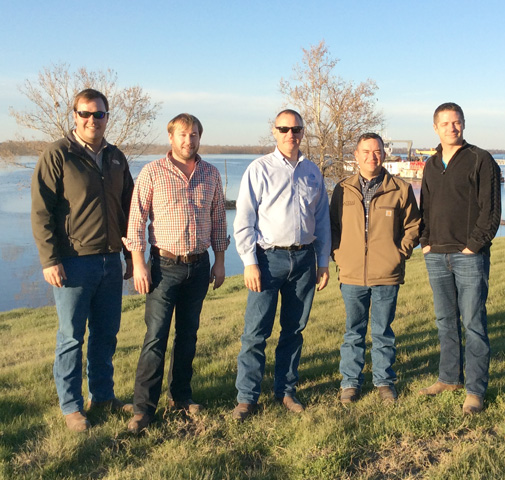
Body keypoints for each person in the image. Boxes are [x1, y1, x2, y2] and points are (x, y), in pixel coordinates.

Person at [31, 88, 134, 432]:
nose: (93, 120)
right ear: (74, 116)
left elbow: (129, 212)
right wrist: (50, 260)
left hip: (111, 261)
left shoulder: (117, 158)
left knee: (106, 334)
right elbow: (41, 211)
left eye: (99, 114)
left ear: (107, 117)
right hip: (73, 263)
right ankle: (72, 406)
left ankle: (103, 396)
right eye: (86, 114)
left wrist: (133, 257)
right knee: (72, 337)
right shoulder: (58, 155)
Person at [123, 113, 228, 433]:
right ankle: (143, 408)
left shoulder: (210, 174)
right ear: (171, 137)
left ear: (200, 137)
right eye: (183, 134)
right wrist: (138, 263)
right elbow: (136, 221)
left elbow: (219, 219)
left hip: (197, 267)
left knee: (187, 336)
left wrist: (220, 260)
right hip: (163, 267)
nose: (189, 140)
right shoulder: (152, 172)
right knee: (155, 337)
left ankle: (181, 396)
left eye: (194, 134)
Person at [232, 109, 330, 421]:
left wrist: (323, 262)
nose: (291, 134)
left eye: (296, 129)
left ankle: (286, 390)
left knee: (294, 330)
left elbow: (323, 222)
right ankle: (247, 398)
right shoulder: (258, 169)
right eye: (284, 129)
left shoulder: (313, 172)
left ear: (303, 132)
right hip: (267, 260)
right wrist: (249, 262)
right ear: (274, 132)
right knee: (255, 332)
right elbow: (244, 220)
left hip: (303, 260)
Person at [418, 103, 501, 415]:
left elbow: (491, 211)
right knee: (445, 321)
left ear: (464, 124)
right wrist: (425, 243)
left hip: (469, 256)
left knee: (474, 323)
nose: (452, 128)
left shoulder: (480, 159)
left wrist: (473, 246)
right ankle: (449, 377)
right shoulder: (430, 164)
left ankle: (475, 390)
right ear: (436, 128)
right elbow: (424, 207)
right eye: (445, 123)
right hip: (435, 254)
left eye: (456, 122)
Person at [330, 133, 420, 405]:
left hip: (386, 273)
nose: (372, 156)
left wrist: (398, 254)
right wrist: (339, 254)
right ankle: (350, 383)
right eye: (366, 151)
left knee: (382, 332)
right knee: (353, 332)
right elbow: (333, 226)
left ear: (384, 154)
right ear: (356, 155)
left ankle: (384, 381)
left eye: (377, 151)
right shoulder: (343, 189)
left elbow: (413, 226)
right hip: (352, 273)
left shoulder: (400, 189)